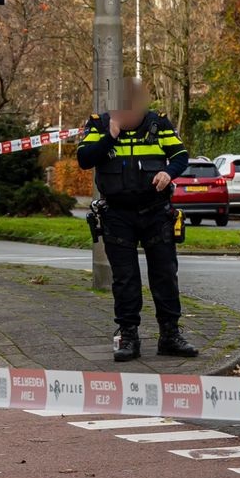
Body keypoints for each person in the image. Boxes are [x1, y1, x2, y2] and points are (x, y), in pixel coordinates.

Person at [75, 90, 196, 362]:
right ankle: (128, 335)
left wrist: (169, 172)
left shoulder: (159, 124)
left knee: (165, 274)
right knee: (126, 278)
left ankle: (170, 334)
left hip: (155, 212)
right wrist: (111, 135)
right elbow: (85, 160)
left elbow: (180, 156)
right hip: (117, 214)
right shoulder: (98, 124)